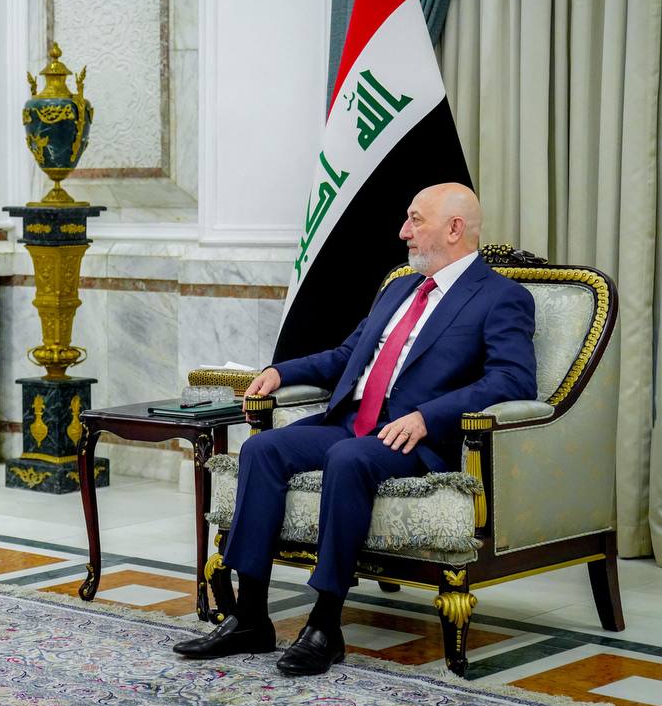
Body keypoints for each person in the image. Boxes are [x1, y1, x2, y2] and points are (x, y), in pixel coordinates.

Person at [173, 183, 537, 675]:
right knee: (262, 450)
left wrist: (428, 416)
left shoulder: (501, 297)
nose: (403, 231)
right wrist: (281, 371)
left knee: (348, 459)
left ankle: (325, 625)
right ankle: (250, 618)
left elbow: (513, 378)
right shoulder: (400, 288)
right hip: (352, 421)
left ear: (454, 228)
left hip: (413, 436)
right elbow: (348, 356)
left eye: (415, 219)